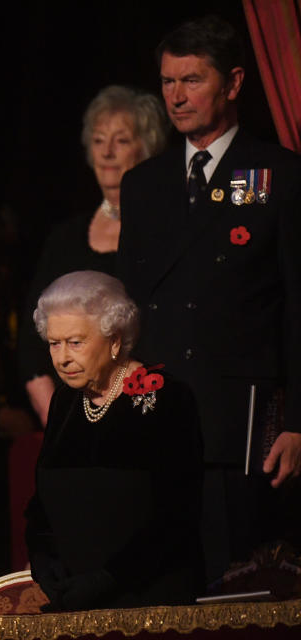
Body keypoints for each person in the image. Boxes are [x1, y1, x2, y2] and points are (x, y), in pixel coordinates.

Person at [118, 15, 301, 582]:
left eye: (192, 80)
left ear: (234, 82)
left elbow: (298, 308)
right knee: (163, 586)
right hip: (159, 414)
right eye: (168, 82)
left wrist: (298, 422)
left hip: (242, 426)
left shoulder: (281, 174)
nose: (176, 96)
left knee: (236, 588)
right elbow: (130, 305)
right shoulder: (144, 184)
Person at [25, 271, 203, 611]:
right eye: (53, 343)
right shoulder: (65, 402)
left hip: (149, 601)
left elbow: (177, 514)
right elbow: (43, 504)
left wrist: (108, 578)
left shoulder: (167, 399)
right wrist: (43, 558)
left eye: (75, 342)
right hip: (75, 602)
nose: (62, 358)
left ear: (115, 341)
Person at [17, 86, 168, 429]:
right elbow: (30, 338)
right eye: (99, 141)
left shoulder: (164, 233)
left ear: (147, 148)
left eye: (122, 141)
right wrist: (53, 412)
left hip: (141, 411)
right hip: (68, 414)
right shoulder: (64, 237)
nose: (108, 153)